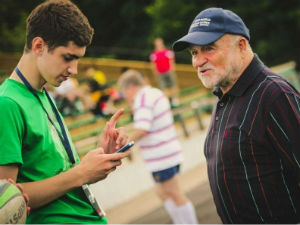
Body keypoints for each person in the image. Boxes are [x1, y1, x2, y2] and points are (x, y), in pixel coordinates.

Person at [0, 0, 130, 224]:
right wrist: (82, 173)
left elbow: (58, 175)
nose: (74, 70)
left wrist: (99, 155)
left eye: (78, 59)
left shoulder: (42, 92)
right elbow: (6, 202)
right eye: (68, 58)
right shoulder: (7, 103)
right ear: (39, 46)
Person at [172, 7, 300, 224]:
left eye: (208, 49)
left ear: (241, 46)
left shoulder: (274, 94)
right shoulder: (224, 95)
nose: (198, 61)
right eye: (194, 52)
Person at [118, 69, 198, 224]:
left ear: (131, 88)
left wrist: (124, 144)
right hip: (168, 152)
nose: (125, 96)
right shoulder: (155, 92)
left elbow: (142, 128)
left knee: (173, 193)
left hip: (161, 156)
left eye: (124, 92)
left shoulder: (141, 99)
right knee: (163, 192)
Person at [150, 37, 180, 107]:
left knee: (173, 85)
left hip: (168, 71)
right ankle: (166, 101)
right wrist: (155, 73)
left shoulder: (168, 52)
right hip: (160, 73)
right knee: (163, 87)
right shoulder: (153, 54)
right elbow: (153, 65)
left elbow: (171, 62)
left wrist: (172, 70)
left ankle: (175, 99)